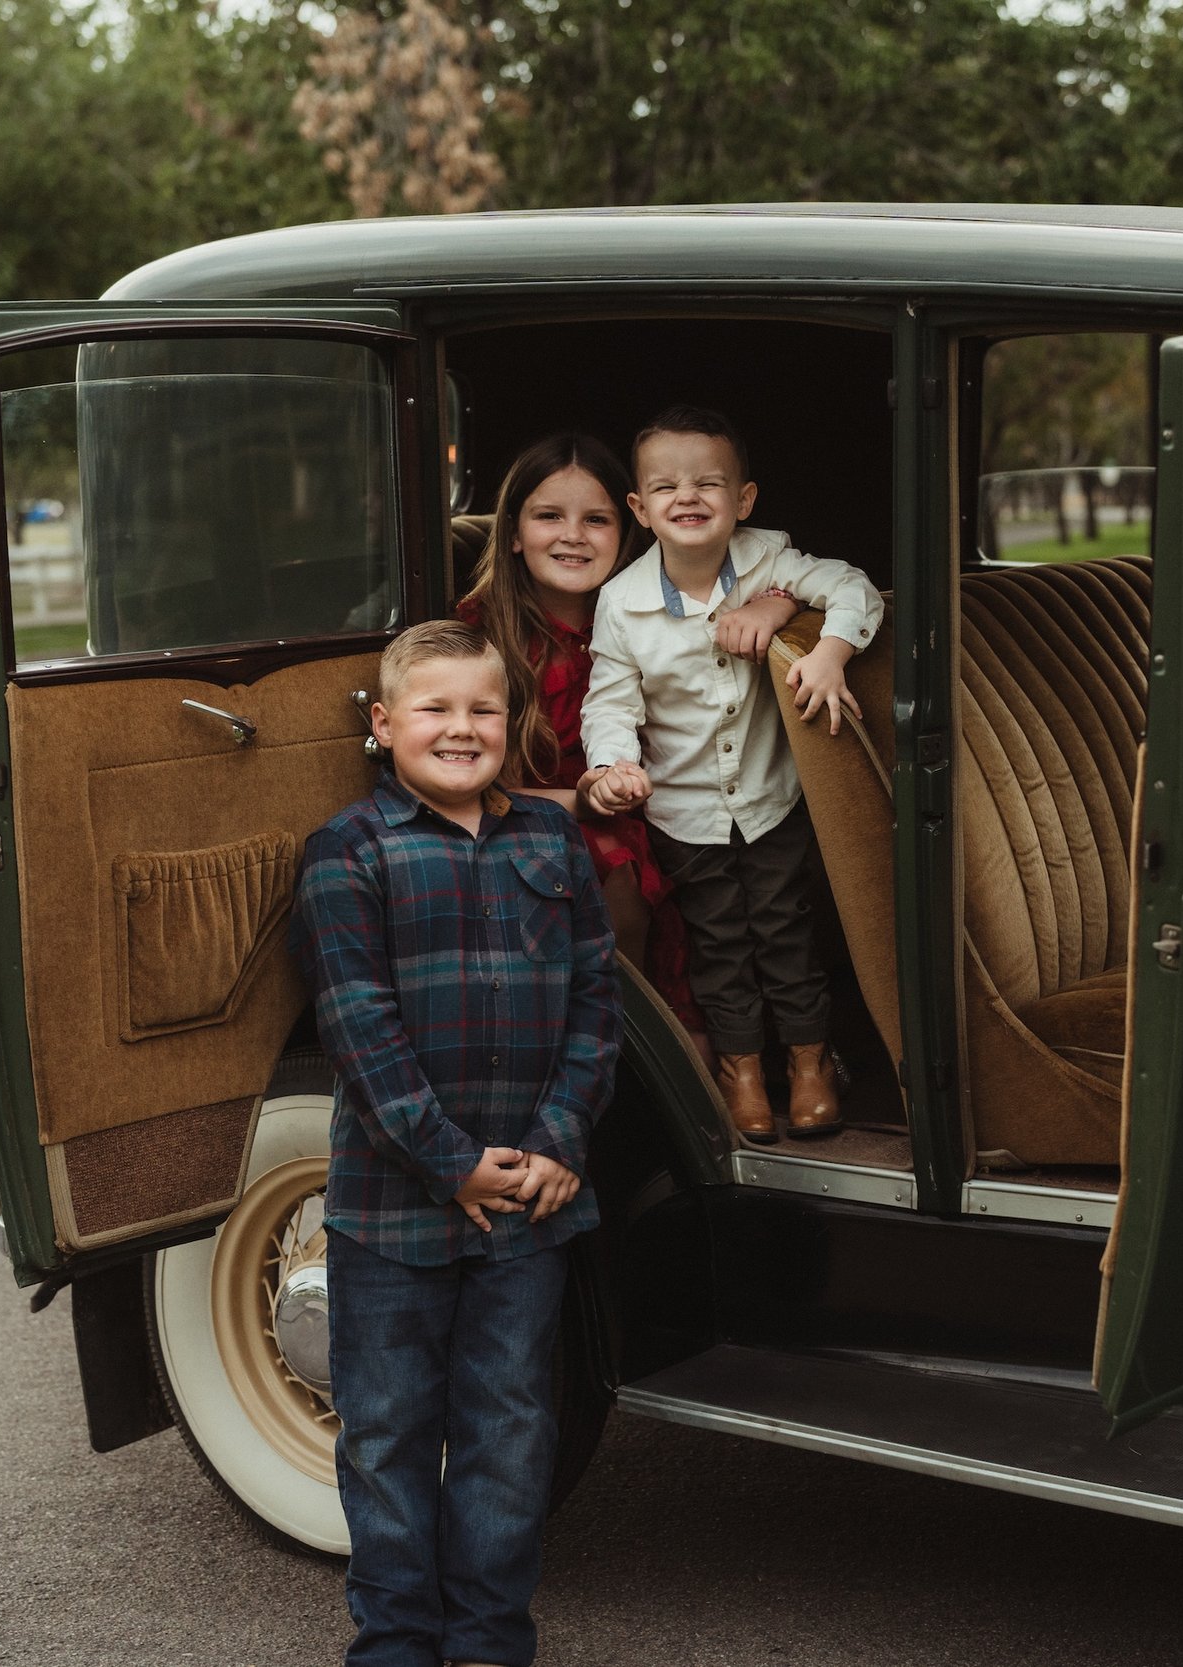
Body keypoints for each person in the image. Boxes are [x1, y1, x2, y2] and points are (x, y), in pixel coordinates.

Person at [291, 618, 620, 1667]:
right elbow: (358, 1030)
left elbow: (596, 1002)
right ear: (385, 725)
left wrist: (560, 1137)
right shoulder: (348, 852)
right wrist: (451, 1160)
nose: (462, 727)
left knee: (510, 1430)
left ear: (512, 721)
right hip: (392, 1211)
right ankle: (393, 1642)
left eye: (484, 707)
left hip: (532, 1198)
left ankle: (487, 1639)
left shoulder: (549, 841)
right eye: (434, 708)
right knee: (386, 1435)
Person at [578, 405, 884, 1143]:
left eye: (709, 483)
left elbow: (856, 589)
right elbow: (610, 698)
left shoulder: (770, 559)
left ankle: (809, 1064)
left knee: (785, 930)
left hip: (771, 801)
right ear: (640, 509)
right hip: (683, 811)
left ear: (743, 500)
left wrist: (828, 651)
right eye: (667, 486)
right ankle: (743, 1072)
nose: (688, 496)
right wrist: (613, 763)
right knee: (720, 942)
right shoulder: (622, 602)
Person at [456, 432, 799, 1051]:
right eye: (548, 516)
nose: (573, 535)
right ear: (512, 532)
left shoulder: (649, 611)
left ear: (630, 526)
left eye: (597, 519)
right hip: (538, 811)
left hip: (660, 797)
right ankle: (621, 1051)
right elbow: (479, 784)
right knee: (614, 859)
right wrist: (586, 803)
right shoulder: (481, 636)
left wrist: (775, 609)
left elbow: (790, 586)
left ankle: (724, 1055)